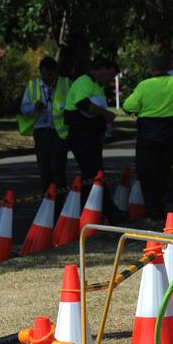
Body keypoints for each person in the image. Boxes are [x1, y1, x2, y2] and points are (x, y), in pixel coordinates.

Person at [122, 54, 173, 222]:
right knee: (164, 172)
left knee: (147, 173)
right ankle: (163, 206)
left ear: (151, 69)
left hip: (147, 138)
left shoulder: (144, 85)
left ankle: (153, 211)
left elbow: (128, 107)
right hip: (169, 138)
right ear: (168, 67)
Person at [64, 57, 125, 223]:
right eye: (110, 75)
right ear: (102, 69)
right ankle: (107, 211)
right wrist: (106, 114)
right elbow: (83, 104)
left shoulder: (97, 86)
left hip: (91, 135)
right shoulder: (84, 82)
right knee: (94, 173)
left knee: (93, 174)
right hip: (81, 135)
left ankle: (90, 212)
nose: (110, 80)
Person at [17, 56, 70, 198]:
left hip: (60, 133)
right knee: (45, 169)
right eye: (44, 74)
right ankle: (48, 200)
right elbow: (24, 108)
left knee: (58, 169)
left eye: (50, 74)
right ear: (40, 72)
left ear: (56, 73)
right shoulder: (32, 86)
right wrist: (34, 107)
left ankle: (60, 204)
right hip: (42, 133)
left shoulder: (65, 84)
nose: (47, 77)